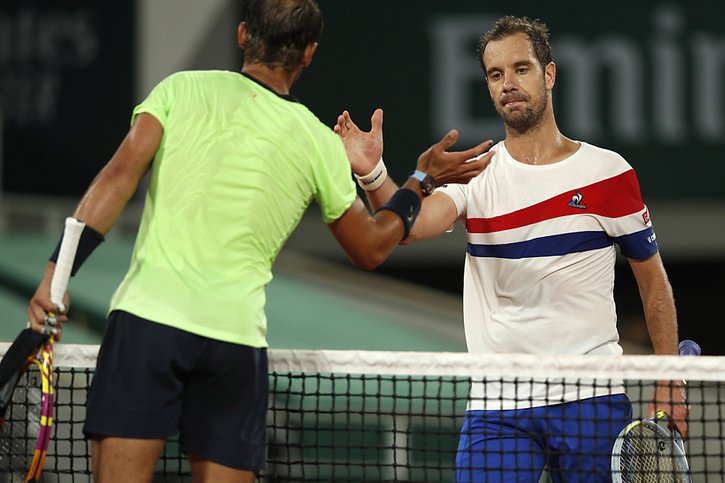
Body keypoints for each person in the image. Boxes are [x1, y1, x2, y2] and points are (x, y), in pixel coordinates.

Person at [25, 1, 491, 481]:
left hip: (150, 325)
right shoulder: (317, 141)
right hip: (233, 346)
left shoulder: (181, 89)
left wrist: (56, 276)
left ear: (243, 34)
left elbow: (118, 178)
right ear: (308, 54)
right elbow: (372, 247)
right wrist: (418, 180)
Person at [335, 15, 687, 483]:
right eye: (496, 75)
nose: (509, 84)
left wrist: (668, 378)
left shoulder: (609, 173)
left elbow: (653, 282)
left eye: (521, 69)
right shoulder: (475, 173)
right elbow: (405, 228)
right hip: (498, 405)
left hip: (592, 397)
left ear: (549, 74)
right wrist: (374, 174)